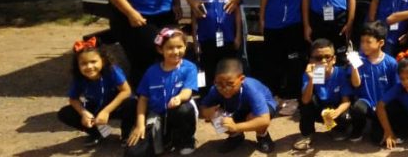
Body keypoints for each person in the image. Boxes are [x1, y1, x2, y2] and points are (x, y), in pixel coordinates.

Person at [125, 28, 199, 156]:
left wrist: (179, 98)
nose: (175, 51)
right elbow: (143, 99)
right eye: (170, 48)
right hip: (156, 115)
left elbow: (187, 91)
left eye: (179, 47)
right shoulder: (151, 71)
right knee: (133, 153)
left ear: (185, 47)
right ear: (160, 50)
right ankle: (165, 139)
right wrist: (140, 125)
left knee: (184, 109)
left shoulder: (189, 68)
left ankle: (186, 140)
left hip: (178, 112)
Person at [259, 0, 307, 115]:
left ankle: (293, 97)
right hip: (273, 24)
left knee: (294, 62)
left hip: (294, 24)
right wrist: (262, 18)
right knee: (274, 62)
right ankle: (276, 96)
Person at [57, 37, 136, 147]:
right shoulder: (79, 77)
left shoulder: (112, 70)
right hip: (95, 107)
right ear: (78, 65)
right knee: (65, 113)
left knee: (133, 104)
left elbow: (126, 91)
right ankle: (98, 133)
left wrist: (106, 111)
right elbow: (73, 98)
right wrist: (84, 113)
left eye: (93, 62)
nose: (89, 67)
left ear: (102, 61)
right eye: (83, 63)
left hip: (115, 105)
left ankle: (126, 133)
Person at [199, 58, 276, 153]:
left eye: (230, 84)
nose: (224, 88)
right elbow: (203, 107)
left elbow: (264, 120)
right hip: (236, 109)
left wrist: (236, 127)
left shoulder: (251, 89)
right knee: (215, 115)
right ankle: (236, 136)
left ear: (242, 79)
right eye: (219, 83)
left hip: (262, 108)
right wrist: (207, 112)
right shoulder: (215, 89)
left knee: (253, 117)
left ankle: (262, 136)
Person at [192, 0, 242, 90]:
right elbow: (194, 18)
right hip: (206, 39)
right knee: (208, 71)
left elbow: (237, 14)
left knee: (227, 71)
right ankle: (206, 100)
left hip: (227, 39)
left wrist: (238, 36)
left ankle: (226, 98)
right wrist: (195, 41)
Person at [293, 38, 353, 152]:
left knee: (346, 116)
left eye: (327, 57)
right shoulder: (309, 74)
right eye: (318, 58)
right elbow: (305, 101)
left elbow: (346, 101)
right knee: (305, 103)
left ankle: (337, 129)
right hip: (318, 109)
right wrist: (311, 79)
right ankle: (307, 134)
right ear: (311, 60)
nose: (324, 61)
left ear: (334, 59)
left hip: (334, 109)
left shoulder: (340, 72)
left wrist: (337, 112)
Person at [348, 21, 399, 142]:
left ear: (380, 43)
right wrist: (354, 66)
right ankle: (358, 128)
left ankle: (390, 127)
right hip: (366, 102)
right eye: (362, 42)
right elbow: (356, 84)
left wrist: (383, 103)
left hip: (383, 105)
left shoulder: (391, 63)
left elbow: (396, 88)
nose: (363, 45)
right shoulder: (359, 60)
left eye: (368, 42)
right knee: (357, 108)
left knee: (377, 140)